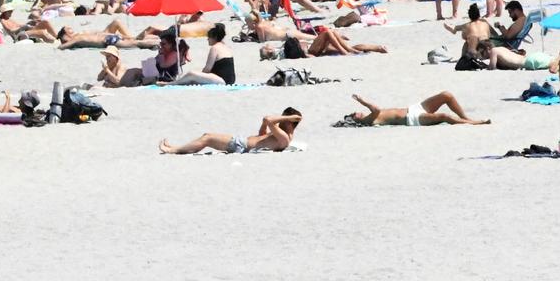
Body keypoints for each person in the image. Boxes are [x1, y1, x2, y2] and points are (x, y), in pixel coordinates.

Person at [159, 108, 303, 155]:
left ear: (290, 123)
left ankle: (174, 150)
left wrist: (287, 117)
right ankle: (175, 148)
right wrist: (265, 125)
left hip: (241, 145)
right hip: (241, 142)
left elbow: (268, 118)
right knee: (207, 136)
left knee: (207, 137)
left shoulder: (284, 138)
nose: (281, 121)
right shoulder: (279, 134)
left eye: (284, 120)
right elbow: (262, 133)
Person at [339, 93, 489, 127]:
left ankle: (466, 118)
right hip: (412, 119)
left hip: (413, 108)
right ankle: (474, 123)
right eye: (354, 115)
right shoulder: (367, 120)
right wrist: (362, 101)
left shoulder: (368, 117)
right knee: (443, 116)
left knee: (446, 95)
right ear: (356, 120)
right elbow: (376, 109)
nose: (356, 112)